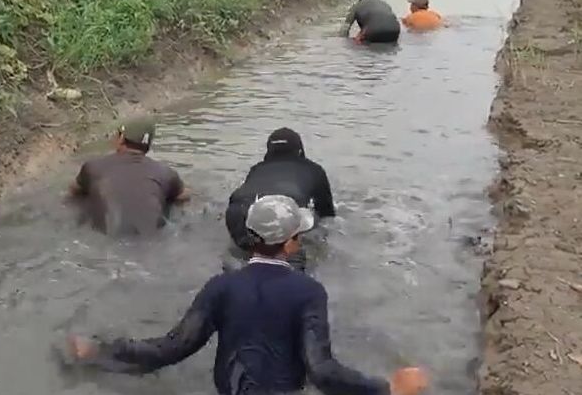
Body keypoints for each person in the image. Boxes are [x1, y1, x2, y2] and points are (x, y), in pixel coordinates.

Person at [66, 195, 429, 395]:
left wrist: (101, 350)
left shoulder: (220, 286)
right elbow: (321, 370)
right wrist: (386, 388)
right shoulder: (308, 291)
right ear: (290, 244)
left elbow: (170, 348)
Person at [225, 128, 335, 270]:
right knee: (291, 266)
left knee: (243, 256)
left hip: (236, 211)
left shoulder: (257, 168)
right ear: (300, 149)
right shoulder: (314, 170)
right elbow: (327, 212)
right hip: (286, 206)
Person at [68, 119, 189, 236]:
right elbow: (184, 196)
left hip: (105, 240)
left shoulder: (93, 167)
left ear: (120, 139)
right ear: (148, 146)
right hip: (153, 241)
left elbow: (74, 190)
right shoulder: (166, 173)